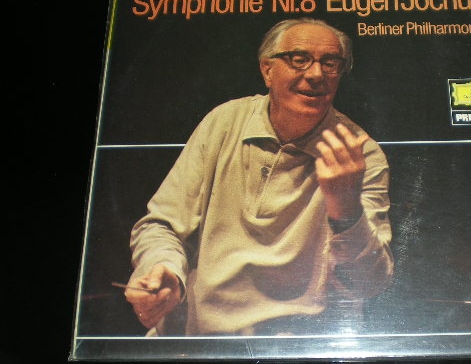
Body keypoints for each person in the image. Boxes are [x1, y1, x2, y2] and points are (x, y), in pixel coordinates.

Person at [124, 17, 394, 336]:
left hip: (294, 351)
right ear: (267, 70)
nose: (316, 74)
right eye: (299, 59)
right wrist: (165, 269)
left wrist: (346, 209)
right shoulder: (224, 121)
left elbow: (370, 284)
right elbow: (161, 225)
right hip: (198, 341)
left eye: (330, 63)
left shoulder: (359, 152)